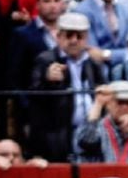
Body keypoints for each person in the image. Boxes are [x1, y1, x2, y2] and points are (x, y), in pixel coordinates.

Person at [30, 12, 107, 161]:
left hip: (89, 133)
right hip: (58, 135)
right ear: (58, 37)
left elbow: (103, 91)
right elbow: (34, 96)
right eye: (69, 35)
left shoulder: (93, 63)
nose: (74, 41)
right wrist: (48, 80)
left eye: (79, 36)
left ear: (87, 38)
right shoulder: (45, 60)